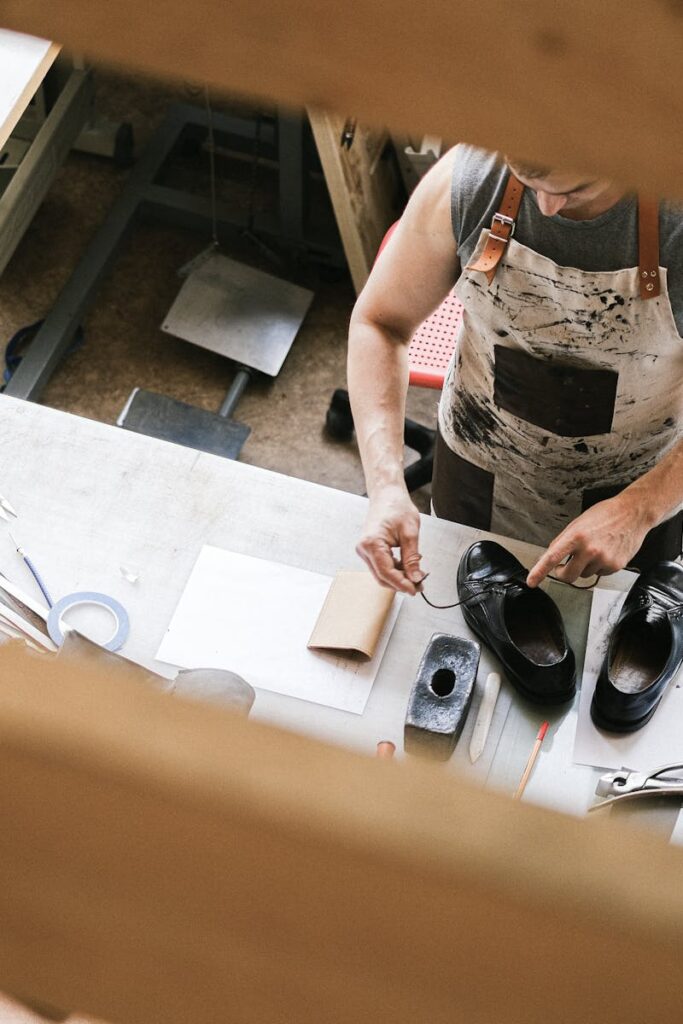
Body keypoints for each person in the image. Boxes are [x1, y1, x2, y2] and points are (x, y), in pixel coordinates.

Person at [348, 145, 683, 596]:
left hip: (636, 487)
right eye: (528, 180)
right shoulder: (468, 182)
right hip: (476, 469)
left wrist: (640, 510)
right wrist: (386, 484)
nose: (545, 206)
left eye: (575, 187)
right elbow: (380, 324)